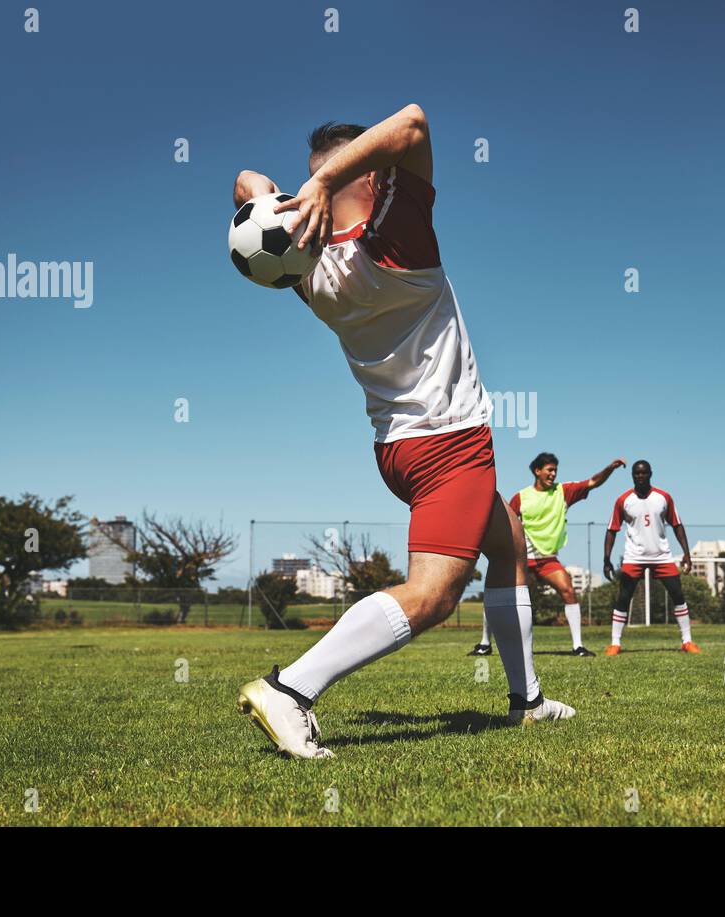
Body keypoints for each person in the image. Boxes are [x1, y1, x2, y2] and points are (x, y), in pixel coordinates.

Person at [233, 105, 573, 758]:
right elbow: (414, 123)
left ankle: (526, 701)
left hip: (396, 450)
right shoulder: (396, 238)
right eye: (374, 170)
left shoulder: (305, 273)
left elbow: (246, 180)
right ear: (365, 178)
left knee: (509, 542)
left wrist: (276, 195)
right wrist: (327, 181)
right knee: (434, 595)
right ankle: (291, 689)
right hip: (450, 443)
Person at [470, 453, 625, 657]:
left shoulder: (563, 491)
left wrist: (610, 468)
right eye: (549, 470)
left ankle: (577, 646)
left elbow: (593, 482)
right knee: (497, 593)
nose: (553, 474)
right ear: (537, 471)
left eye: (555, 471)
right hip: (521, 558)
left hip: (547, 559)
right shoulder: (521, 497)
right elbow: (506, 523)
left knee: (568, 590)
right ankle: (484, 644)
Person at [601, 460, 700, 655]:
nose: (640, 476)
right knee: (623, 597)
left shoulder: (663, 497)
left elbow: (677, 525)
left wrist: (687, 553)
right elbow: (611, 530)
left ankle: (687, 641)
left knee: (678, 595)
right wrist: (606, 559)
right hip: (634, 557)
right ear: (632, 476)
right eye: (636, 474)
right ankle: (615, 643)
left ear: (650, 474)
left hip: (661, 556)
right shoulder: (623, 500)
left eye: (643, 473)